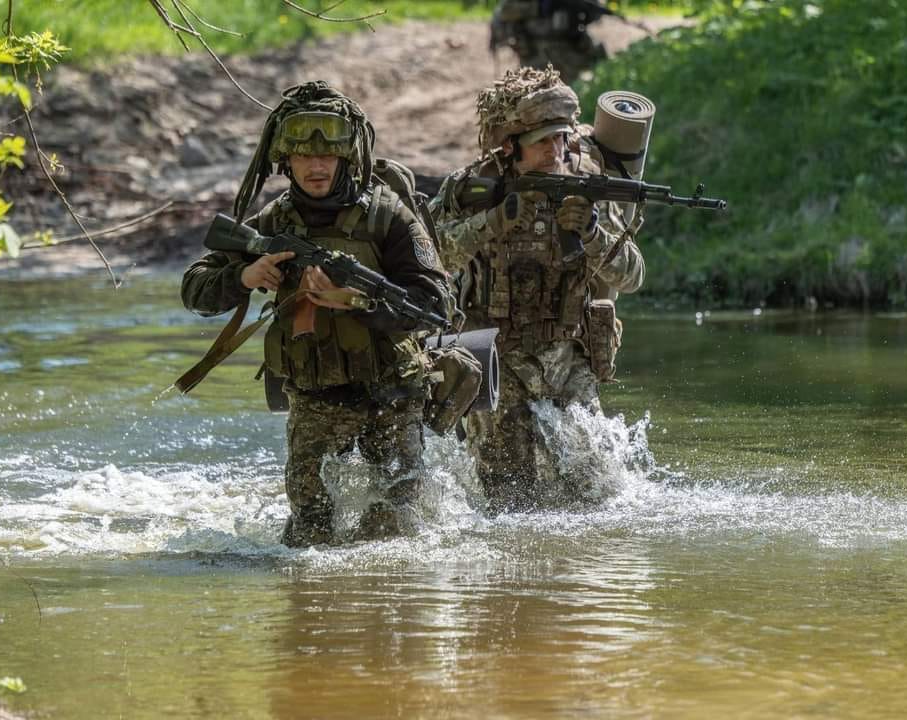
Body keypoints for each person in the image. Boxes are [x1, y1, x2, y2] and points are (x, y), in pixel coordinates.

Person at [181, 81, 450, 546]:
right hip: (314, 399)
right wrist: (246, 277)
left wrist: (357, 301)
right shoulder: (272, 224)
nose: (316, 166)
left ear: (348, 157)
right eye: (304, 156)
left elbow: (435, 305)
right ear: (286, 161)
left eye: (327, 156)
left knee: (397, 536)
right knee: (308, 540)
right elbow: (194, 291)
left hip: (392, 393)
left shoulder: (389, 218)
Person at [430, 66, 644, 512]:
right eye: (543, 141)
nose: (558, 151)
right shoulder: (474, 189)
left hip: (567, 354)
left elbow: (633, 276)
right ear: (511, 148)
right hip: (493, 356)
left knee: (601, 495)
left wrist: (592, 233)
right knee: (508, 499)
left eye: (563, 138)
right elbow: (429, 260)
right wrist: (493, 222)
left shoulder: (589, 185)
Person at [489, 0, 610, 83]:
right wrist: (540, 6)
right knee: (537, 100)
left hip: (570, 50)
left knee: (574, 97)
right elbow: (505, 10)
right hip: (536, 52)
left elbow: (596, 10)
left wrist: (582, 11)